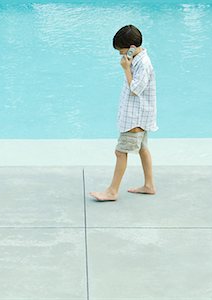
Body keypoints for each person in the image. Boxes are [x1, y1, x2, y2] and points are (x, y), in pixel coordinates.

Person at [89, 24, 158, 201]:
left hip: (135, 118)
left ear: (132, 48)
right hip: (138, 116)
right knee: (143, 148)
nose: (120, 54)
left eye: (122, 51)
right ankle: (149, 185)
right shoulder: (137, 60)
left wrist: (126, 69)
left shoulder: (143, 64)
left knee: (121, 152)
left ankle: (112, 191)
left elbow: (136, 89)